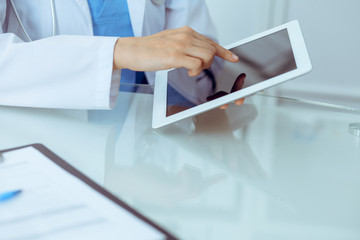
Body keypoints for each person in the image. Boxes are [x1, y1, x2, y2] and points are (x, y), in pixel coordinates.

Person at [0, 0, 240, 110]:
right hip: (47, 133)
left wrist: (212, 87)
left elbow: (190, 42)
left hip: (146, 141)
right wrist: (119, 52)